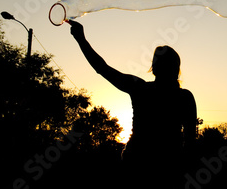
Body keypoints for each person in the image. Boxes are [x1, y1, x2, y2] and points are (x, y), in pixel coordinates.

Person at [68, 20, 197, 187]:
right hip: (169, 170)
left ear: (154, 68)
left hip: (135, 166)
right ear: (177, 68)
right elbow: (190, 143)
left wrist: (81, 39)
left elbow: (102, 68)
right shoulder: (185, 97)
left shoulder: (140, 88)